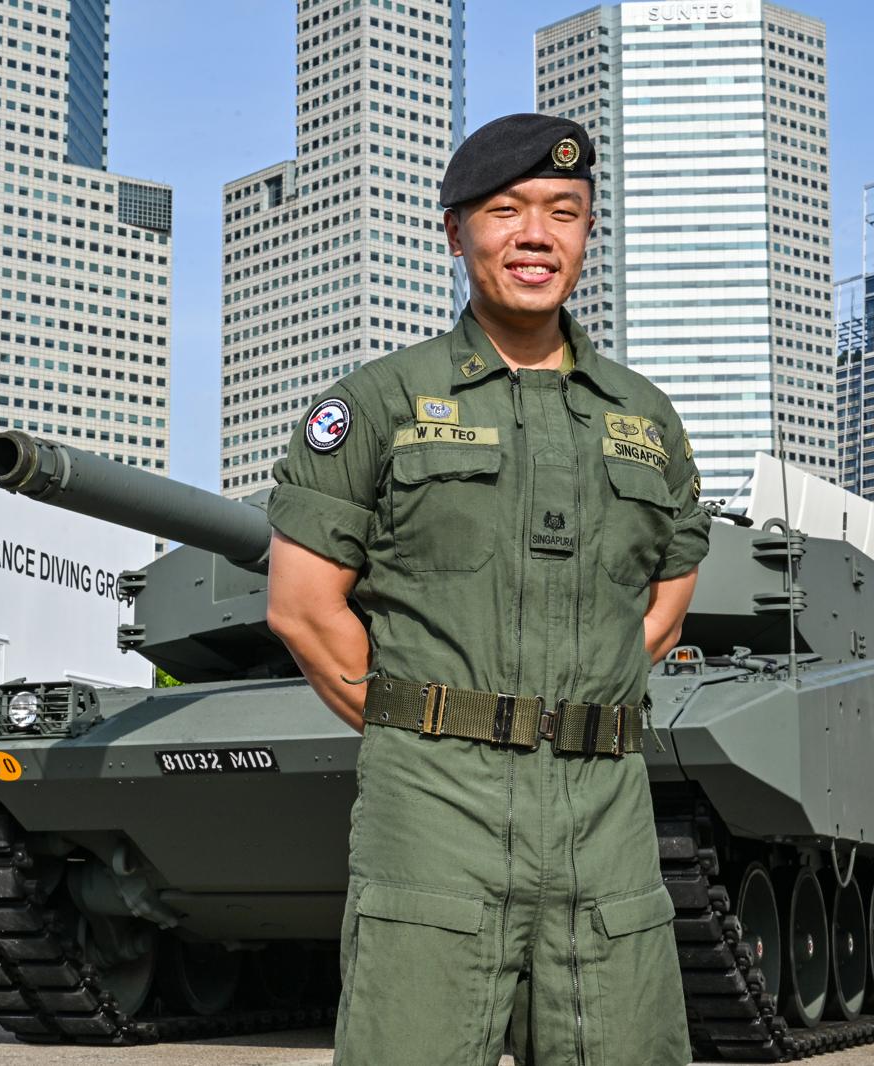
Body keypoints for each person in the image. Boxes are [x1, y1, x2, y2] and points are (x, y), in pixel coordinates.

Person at [266, 113, 711, 1066]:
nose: (536, 235)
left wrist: (575, 712)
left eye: (564, 212)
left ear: (588, 233)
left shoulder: (646, 418)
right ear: (456, 231)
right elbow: (303, 609)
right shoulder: (380, 402)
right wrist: (433, 725)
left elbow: (665, 606)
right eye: (506, 211)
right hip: (436, 806)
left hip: (606, 810)